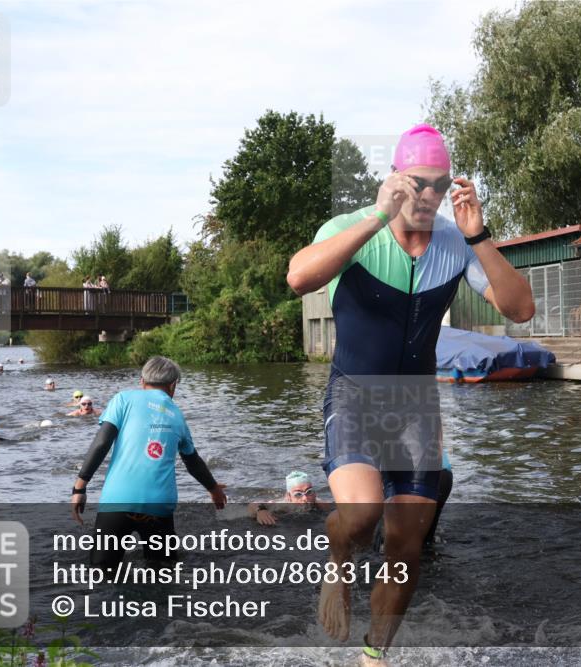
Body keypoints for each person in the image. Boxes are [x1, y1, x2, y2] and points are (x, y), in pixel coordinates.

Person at [286, 123, 534, 659]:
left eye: (441, 185)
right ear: (395, 178)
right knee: (360, 516)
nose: (429, 196)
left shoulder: (454, 242)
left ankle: (375, 654)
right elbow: (299, 279)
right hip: (353, 393)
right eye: (419, 182)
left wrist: (478, 236)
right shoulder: (353, 225)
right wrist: (377, 216)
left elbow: (520, 309)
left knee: (406, 545)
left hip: (416, 407)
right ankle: (338, 557)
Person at [70, 356, 227, 569]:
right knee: (162, 577)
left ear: (142, 381)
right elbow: (192, 461)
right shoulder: (177, 415)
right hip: (158, 506)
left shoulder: (123, 400)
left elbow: (102, 443)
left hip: (117, 500)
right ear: (173, 386)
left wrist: (79, 487)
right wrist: (213, 489)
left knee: (102, 574)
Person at [249, 471, 333, 526]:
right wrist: (261, 510)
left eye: (309, 492)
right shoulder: (281, 506)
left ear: (314, 493)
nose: (305, 498)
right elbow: (253, 504)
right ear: (288, 496)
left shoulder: (320, 504)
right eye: (298, 494)